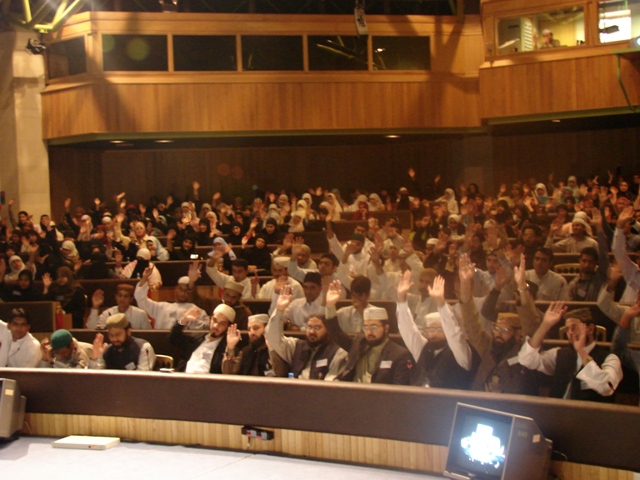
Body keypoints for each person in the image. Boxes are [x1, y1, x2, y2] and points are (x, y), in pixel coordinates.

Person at [457, 253, 539, 394]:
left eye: (504, 330)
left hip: (512, 403)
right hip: (479, 401)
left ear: (517, 334)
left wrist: (521, 286)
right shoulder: (488, 346)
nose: (498, 334)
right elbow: (471, 322)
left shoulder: (524, 351)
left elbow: (530, 324)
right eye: (496, 328)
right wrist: (464, 283)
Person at [518, 304, 622, 402]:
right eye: (567, 329)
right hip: (556, 411)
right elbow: (527, 360)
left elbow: (606, 387)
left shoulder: (610, 358)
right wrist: (545, 325)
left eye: (575, 327)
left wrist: (581, 351)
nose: (570, 332)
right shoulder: (560, 353)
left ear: (590, 329)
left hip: (590, 414)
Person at [396, 270, 481, 389]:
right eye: (430, 330)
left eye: (439, 330)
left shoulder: (460, 352)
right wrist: (401, 298)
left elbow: (454, 334)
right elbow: (408, 330)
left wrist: (440, 302)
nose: (433, 334)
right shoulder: (424, 348)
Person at [324, 281, 413, 385]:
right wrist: (330, 305)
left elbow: (399, 389)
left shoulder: (399, 354)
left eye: (374, 327)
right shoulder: (358, 344)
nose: (369, 331)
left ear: (386, 328)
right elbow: (335, 332)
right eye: (366, 327)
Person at [266, 284, 348, 380]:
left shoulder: (338, 352)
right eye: (309, 327)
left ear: (328, 331)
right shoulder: (296, 346)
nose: (312, 331)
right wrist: (279, 309)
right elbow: (273, 338)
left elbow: (332, 382)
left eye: (317, 328)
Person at [135, 266, 209, 330]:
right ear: (176, 289)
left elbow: (205, 329)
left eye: (186, 291)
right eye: (180, 289)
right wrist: (145, 277)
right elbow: (141, 300)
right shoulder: (162, 307)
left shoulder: (199, 312)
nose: (182, 294)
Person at [170, 304, 235, 373]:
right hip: (184, 377)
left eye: (222, 324)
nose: (216, 326)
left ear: (228, 327)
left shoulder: (227, 348)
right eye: (214, 320)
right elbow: (173, 339)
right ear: (210, 319)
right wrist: (184, 320)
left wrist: (230, 348)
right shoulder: (197, 339)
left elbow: (228, 372)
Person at [91, 313, 156, 370]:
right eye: (111, 335)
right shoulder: (107, 350)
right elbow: (95, 377)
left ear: (128, 332)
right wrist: (95, 358)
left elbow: (143, 377)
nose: (114, 339)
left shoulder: (143, 348)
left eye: (118, 334)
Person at [86, 283, 151, 329]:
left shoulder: (140, 314)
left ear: (131, 299)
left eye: (126, 296)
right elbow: (92, 328)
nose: (122, 299)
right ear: (116, 297)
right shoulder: (107, 313)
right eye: (120, 295)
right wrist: (95, 307)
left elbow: (148, 335)